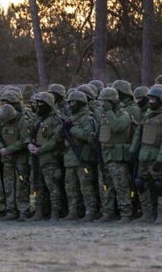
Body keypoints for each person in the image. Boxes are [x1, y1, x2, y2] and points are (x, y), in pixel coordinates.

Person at [130, 85, 162, 224]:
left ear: (161, 100)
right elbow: (139, 133)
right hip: (143, 156)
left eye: (153, 99)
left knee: (160, 185)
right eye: (149, 99)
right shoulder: (148, 114)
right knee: (140, 183)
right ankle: (147, 214)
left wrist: (160, 159)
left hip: (157, 157)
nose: (150, 102)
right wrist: (133, 151)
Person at [96, 88, 132, 223]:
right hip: (105, 156)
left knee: (121, 186)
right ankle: (107, 213)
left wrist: (110, 111)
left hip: (117, 157)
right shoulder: (105, 115)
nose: (103, 104)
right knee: (105, 187)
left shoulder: (124, 114)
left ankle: (126, 213)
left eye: (105, 101)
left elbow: (117, 127)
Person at [27, 92, 64, 221]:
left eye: (41, 103)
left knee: (52, 186)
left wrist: (40, 149)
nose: (38, 106)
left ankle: (55, 213)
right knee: (35, 186)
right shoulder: (36, 119)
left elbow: (55, 140)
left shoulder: (56, 120)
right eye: (37, 103)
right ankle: (36, 211)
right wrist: (30, 145)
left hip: (49, 159)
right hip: (35, 159)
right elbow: (29, 134)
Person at [63, 90, 97, 222]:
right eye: (70, 102)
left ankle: (90, 211)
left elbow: (87, 136)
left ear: (81, 103)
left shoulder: (87, 118)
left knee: (86, 186)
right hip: (70, 157)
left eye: (73, 102)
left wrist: (71, 129)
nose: (71, 105)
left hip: (82, 156)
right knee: (70, 187)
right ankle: (73, 211)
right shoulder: (70, 118)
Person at [0, 103, 31, 221]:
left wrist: (8, 150)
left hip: (20, 159)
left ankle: (23, 210)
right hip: (7, 160)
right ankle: (11, 210)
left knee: (21, 185)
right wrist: (0, 148)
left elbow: (24, 140)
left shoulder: (22, 122)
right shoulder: (1, 122)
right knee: (9, 185)